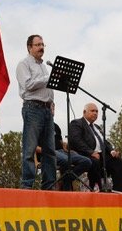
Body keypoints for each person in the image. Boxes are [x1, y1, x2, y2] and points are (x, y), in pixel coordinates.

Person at [16, 35, 56, 190]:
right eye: (38, 45)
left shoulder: (43, 66)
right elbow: (28, 85)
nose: (41, 47)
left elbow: (46, 87)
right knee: (30, 148)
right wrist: (48, 78)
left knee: (50, 151)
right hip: (32, 108)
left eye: (43, 44)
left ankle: (49, 185)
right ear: (29, 47)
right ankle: (27, 185)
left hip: (46, 109)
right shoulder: (23, 64)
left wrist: (51, 101)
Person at [69, 103, 122, 192]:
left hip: (102, 154)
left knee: (118, 162)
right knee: (95, 162)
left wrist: (112, 151)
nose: (95, 113)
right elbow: (76, 141)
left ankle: (120, 191)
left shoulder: (97, 127)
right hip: (86, 154)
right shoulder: (77, 123)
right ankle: (97, 189)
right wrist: (91, 152)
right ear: (84, 112)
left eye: (97, 111)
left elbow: (104, 141)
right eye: (92, 111)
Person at [52, 121, 91, 191]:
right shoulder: (38, 125)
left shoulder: (55, 126)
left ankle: (64, 179)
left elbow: (60, 142)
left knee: (87, 161)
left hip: (62, 151)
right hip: (49, 152)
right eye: (51, 109)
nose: (52, 110)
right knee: (66, 160)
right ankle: (66, 188)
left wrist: (67, 150)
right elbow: (34, 146)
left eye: (53, 109)